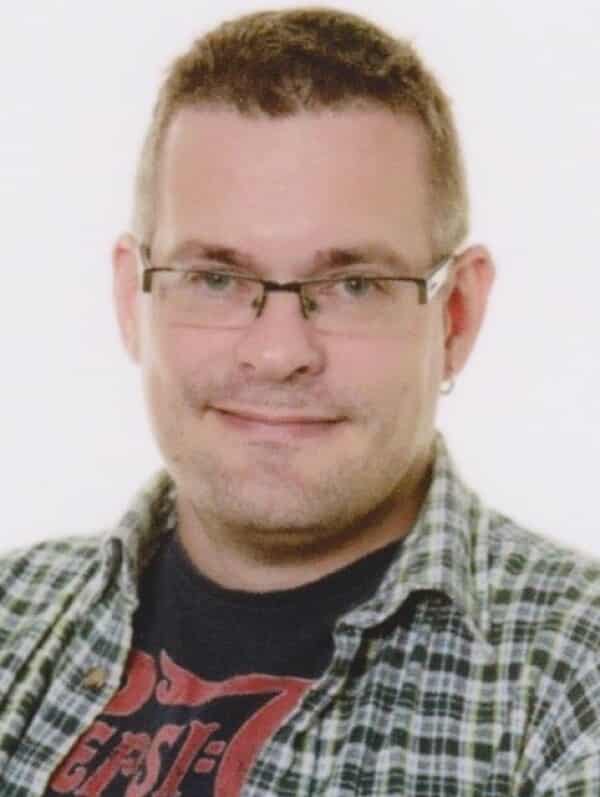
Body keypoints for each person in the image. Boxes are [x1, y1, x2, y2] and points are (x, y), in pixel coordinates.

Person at [1, 7, 599, 796]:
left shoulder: (572, 680)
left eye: (354, 285)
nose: (279, 352)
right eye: (216, 278)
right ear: (130, 300)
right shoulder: (11, 616)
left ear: (456, 315)